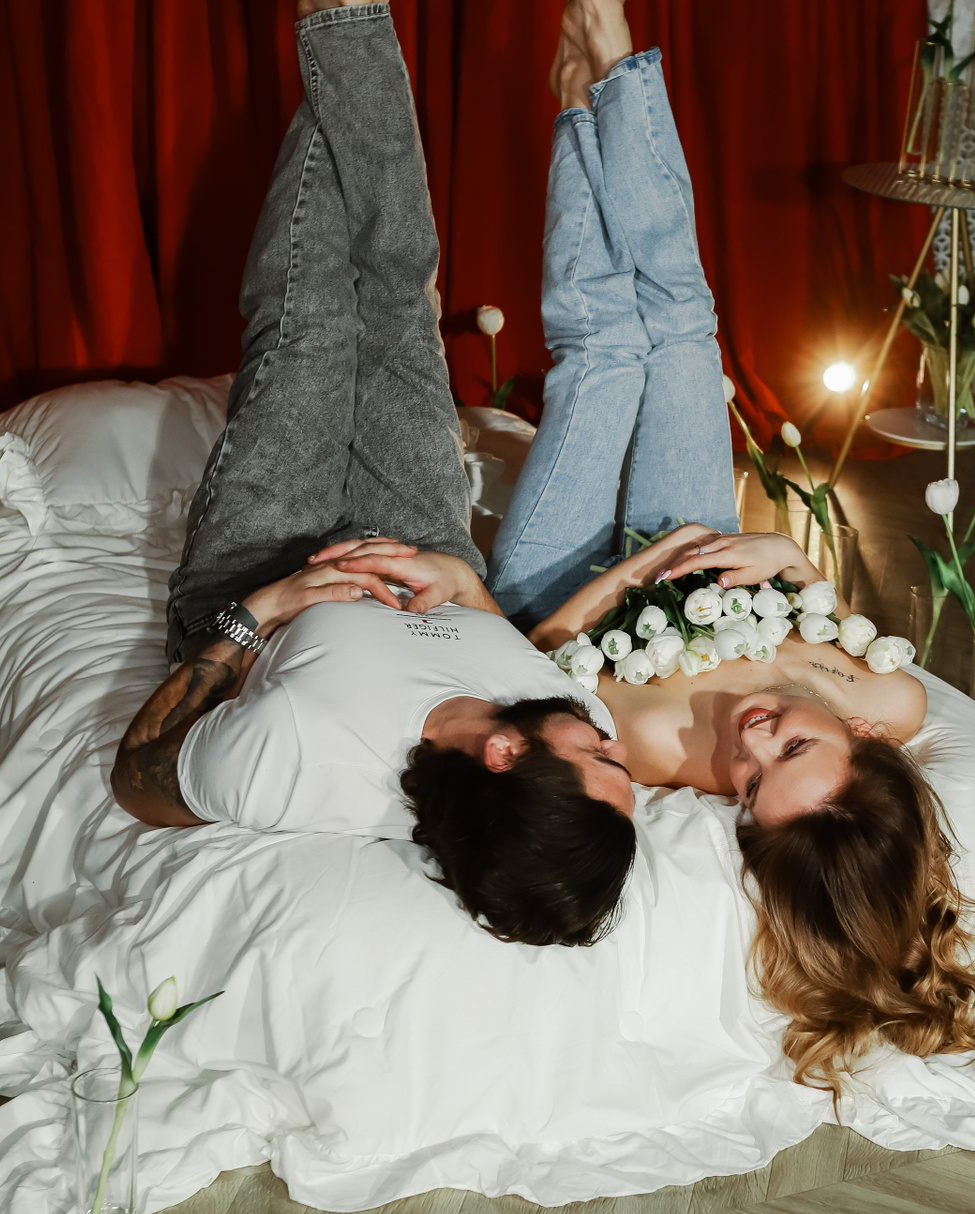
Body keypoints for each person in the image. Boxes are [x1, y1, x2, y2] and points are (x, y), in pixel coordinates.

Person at [505, 2, 975, 1091]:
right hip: (706, 550)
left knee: (602, 351)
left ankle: (578, 110)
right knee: (684, 328)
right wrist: (795, 565)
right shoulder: (891, 699)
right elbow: (812, 600)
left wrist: (636, 572)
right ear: (863, 741)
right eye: (795, 745)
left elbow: (532, 657)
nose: (756, 739)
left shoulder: (653, 750)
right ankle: (611, 62)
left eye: (750, 781)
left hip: (568, 582)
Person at [113, 0, 636, 949]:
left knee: (310, 320)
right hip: (421, 538)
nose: (613, 741)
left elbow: (138, 780)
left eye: (601, 761)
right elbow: (494, 630)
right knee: (400, 298)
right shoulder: (566, 711)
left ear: (503, 755)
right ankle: (342, 27)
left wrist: (262, 610)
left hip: (264, 566)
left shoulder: (302, 759)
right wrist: (463, 583)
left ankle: (344, 21)